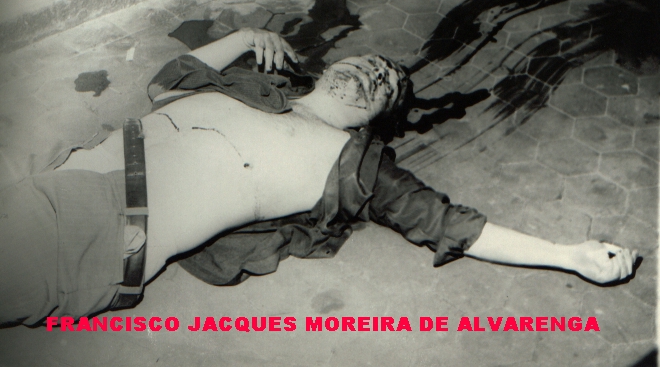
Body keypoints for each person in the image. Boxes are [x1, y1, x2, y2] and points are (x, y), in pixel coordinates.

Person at [0, 28, 638, 327]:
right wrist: (247, 35)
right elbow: (169, 78)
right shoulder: (254, 87)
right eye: (369, 60)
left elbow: (453, 226)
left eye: (386, 83)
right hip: (54, 172)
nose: (374, 71)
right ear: (329, 66)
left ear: (379, 117)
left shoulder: (351, 163)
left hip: (97, 231)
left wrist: (569, 255)